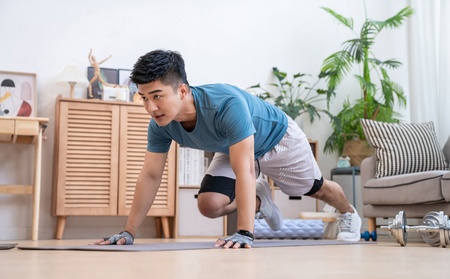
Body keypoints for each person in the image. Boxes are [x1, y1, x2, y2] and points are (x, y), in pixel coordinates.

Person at [92, 49, 362, 249]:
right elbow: (150, 176)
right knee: (209, 204)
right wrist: (128, 232)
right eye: (144, 98)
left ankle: (349, 213)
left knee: (316, 188)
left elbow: (243, 168)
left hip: (277, 139)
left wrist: (244, 232)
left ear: (182, 91)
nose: (151, 108)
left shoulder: (225, 104)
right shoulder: (160, 124)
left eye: (158, 96)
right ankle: (261, 200)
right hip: (232, 145)